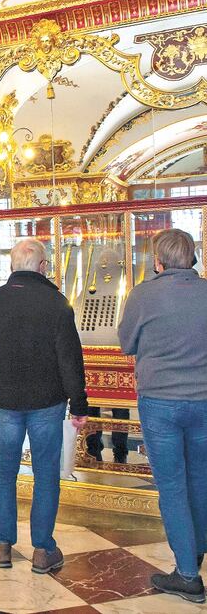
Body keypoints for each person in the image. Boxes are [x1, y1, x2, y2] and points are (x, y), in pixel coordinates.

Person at [0, 238, 88, 574]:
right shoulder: (57, 304)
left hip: (5, 400)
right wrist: (79, 404)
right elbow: (70, 359)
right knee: (45, 475)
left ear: (12, 266)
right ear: (43, 267)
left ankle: (2, 545)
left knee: (4, 471)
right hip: (46, 401)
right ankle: (43, 549)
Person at [118, 228, 206, 604]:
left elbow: (126, 343)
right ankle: (195, 553)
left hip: (159, 402)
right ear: (193, 258)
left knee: (172, 487)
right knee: (200, 481)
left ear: (158, 261)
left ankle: (187, 574)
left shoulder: (143, 295)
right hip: (204, 400)